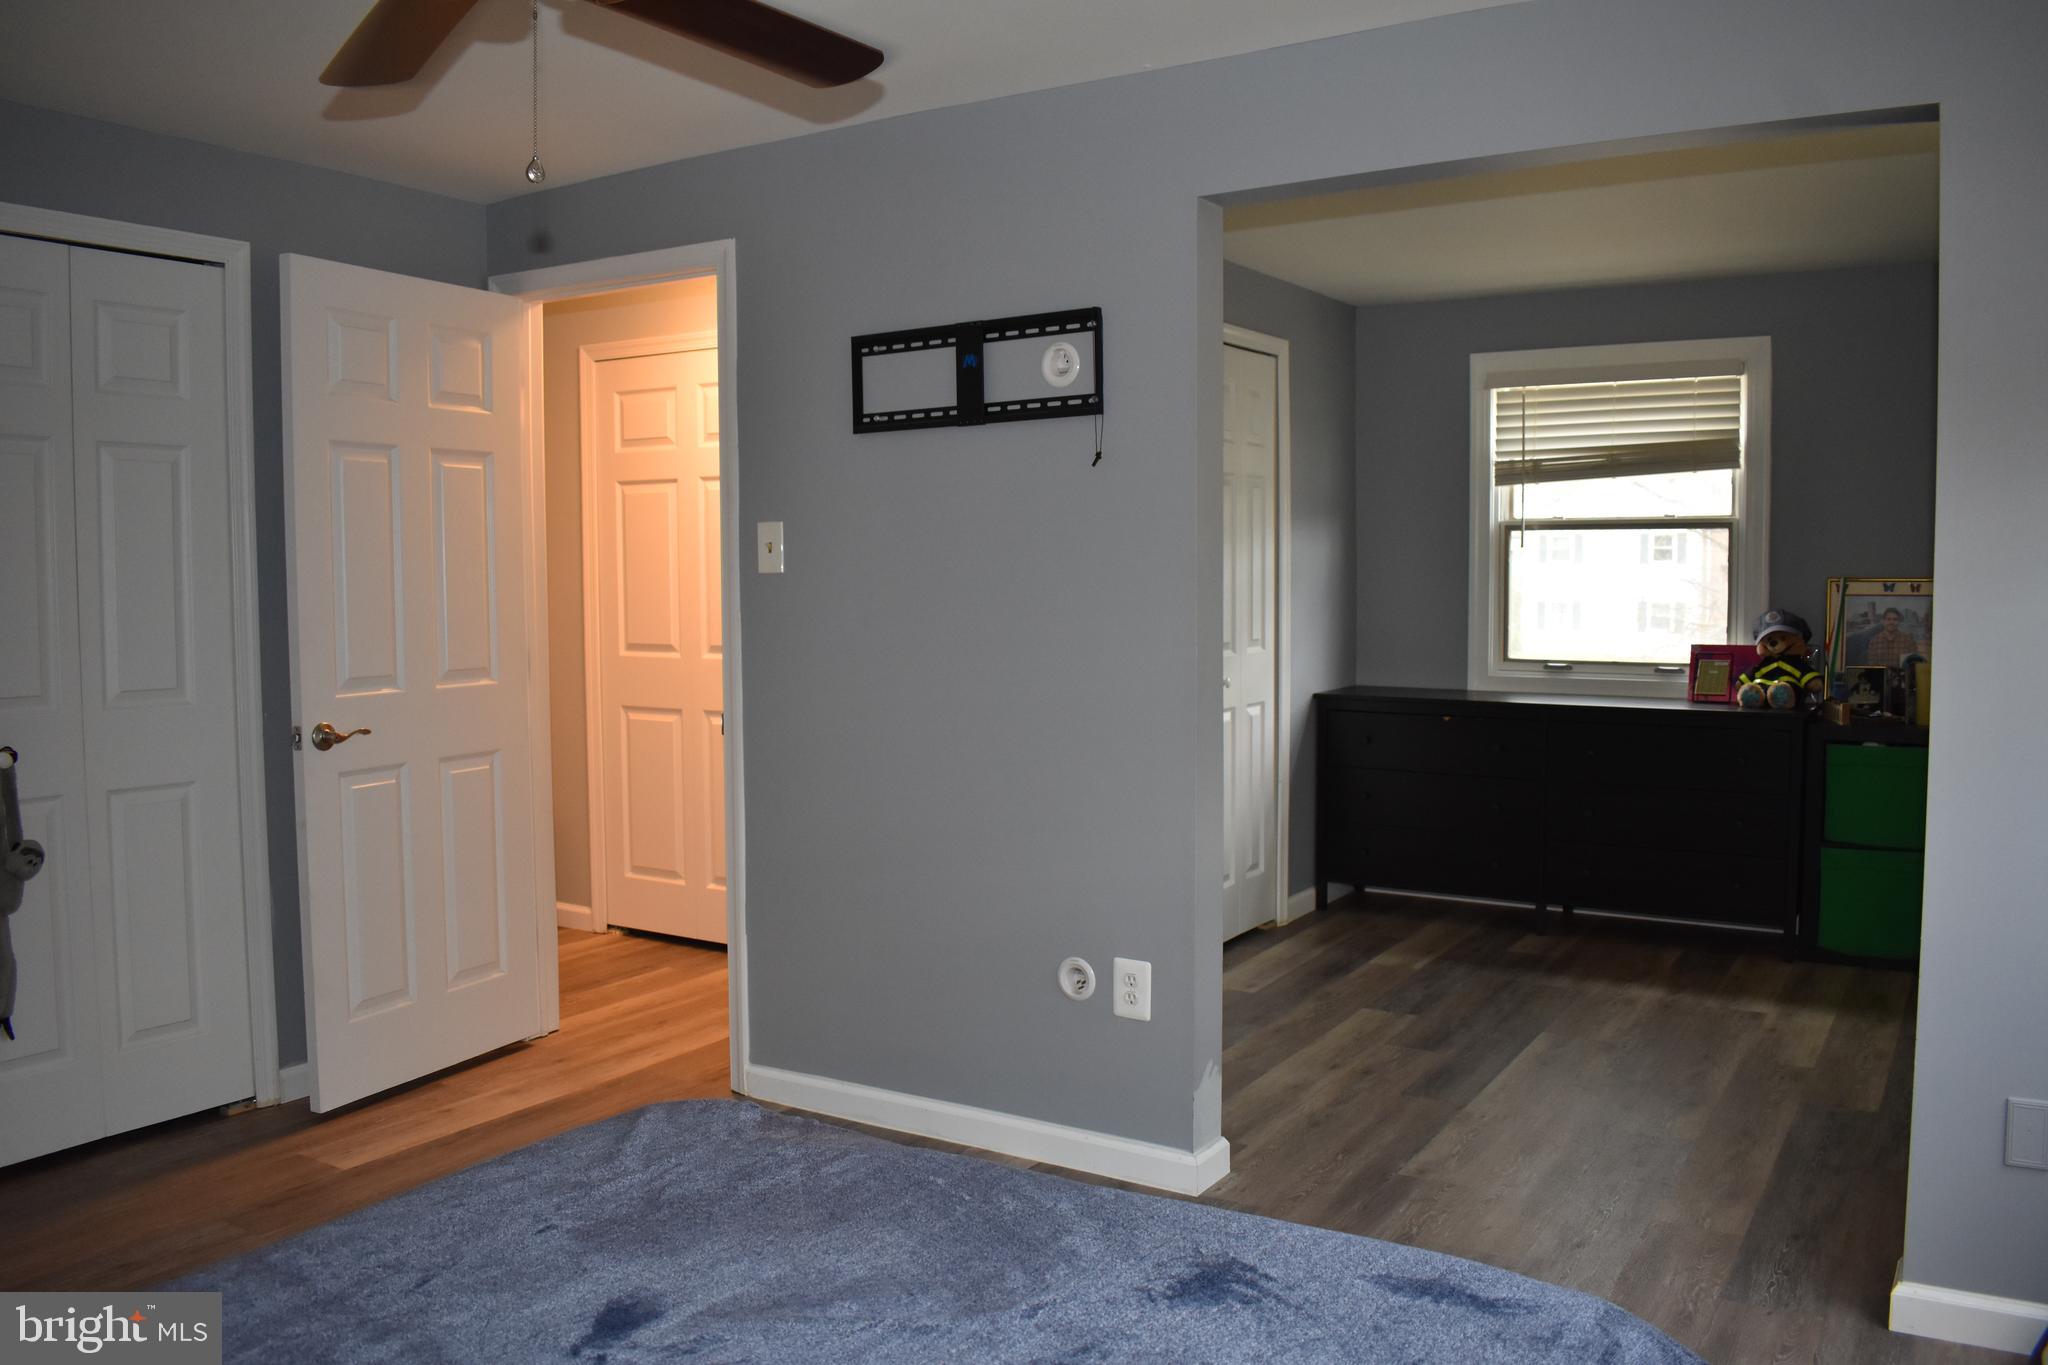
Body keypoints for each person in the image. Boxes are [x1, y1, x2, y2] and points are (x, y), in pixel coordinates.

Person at [1855, 606, 1921, 668]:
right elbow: (1872, 666)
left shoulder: (1908, 640)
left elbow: (1913, 664)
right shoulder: (1874, 642)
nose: (1891, 622)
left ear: (1899, 622)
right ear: (1883, 621)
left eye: (1895, 619)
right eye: (1888, 619)